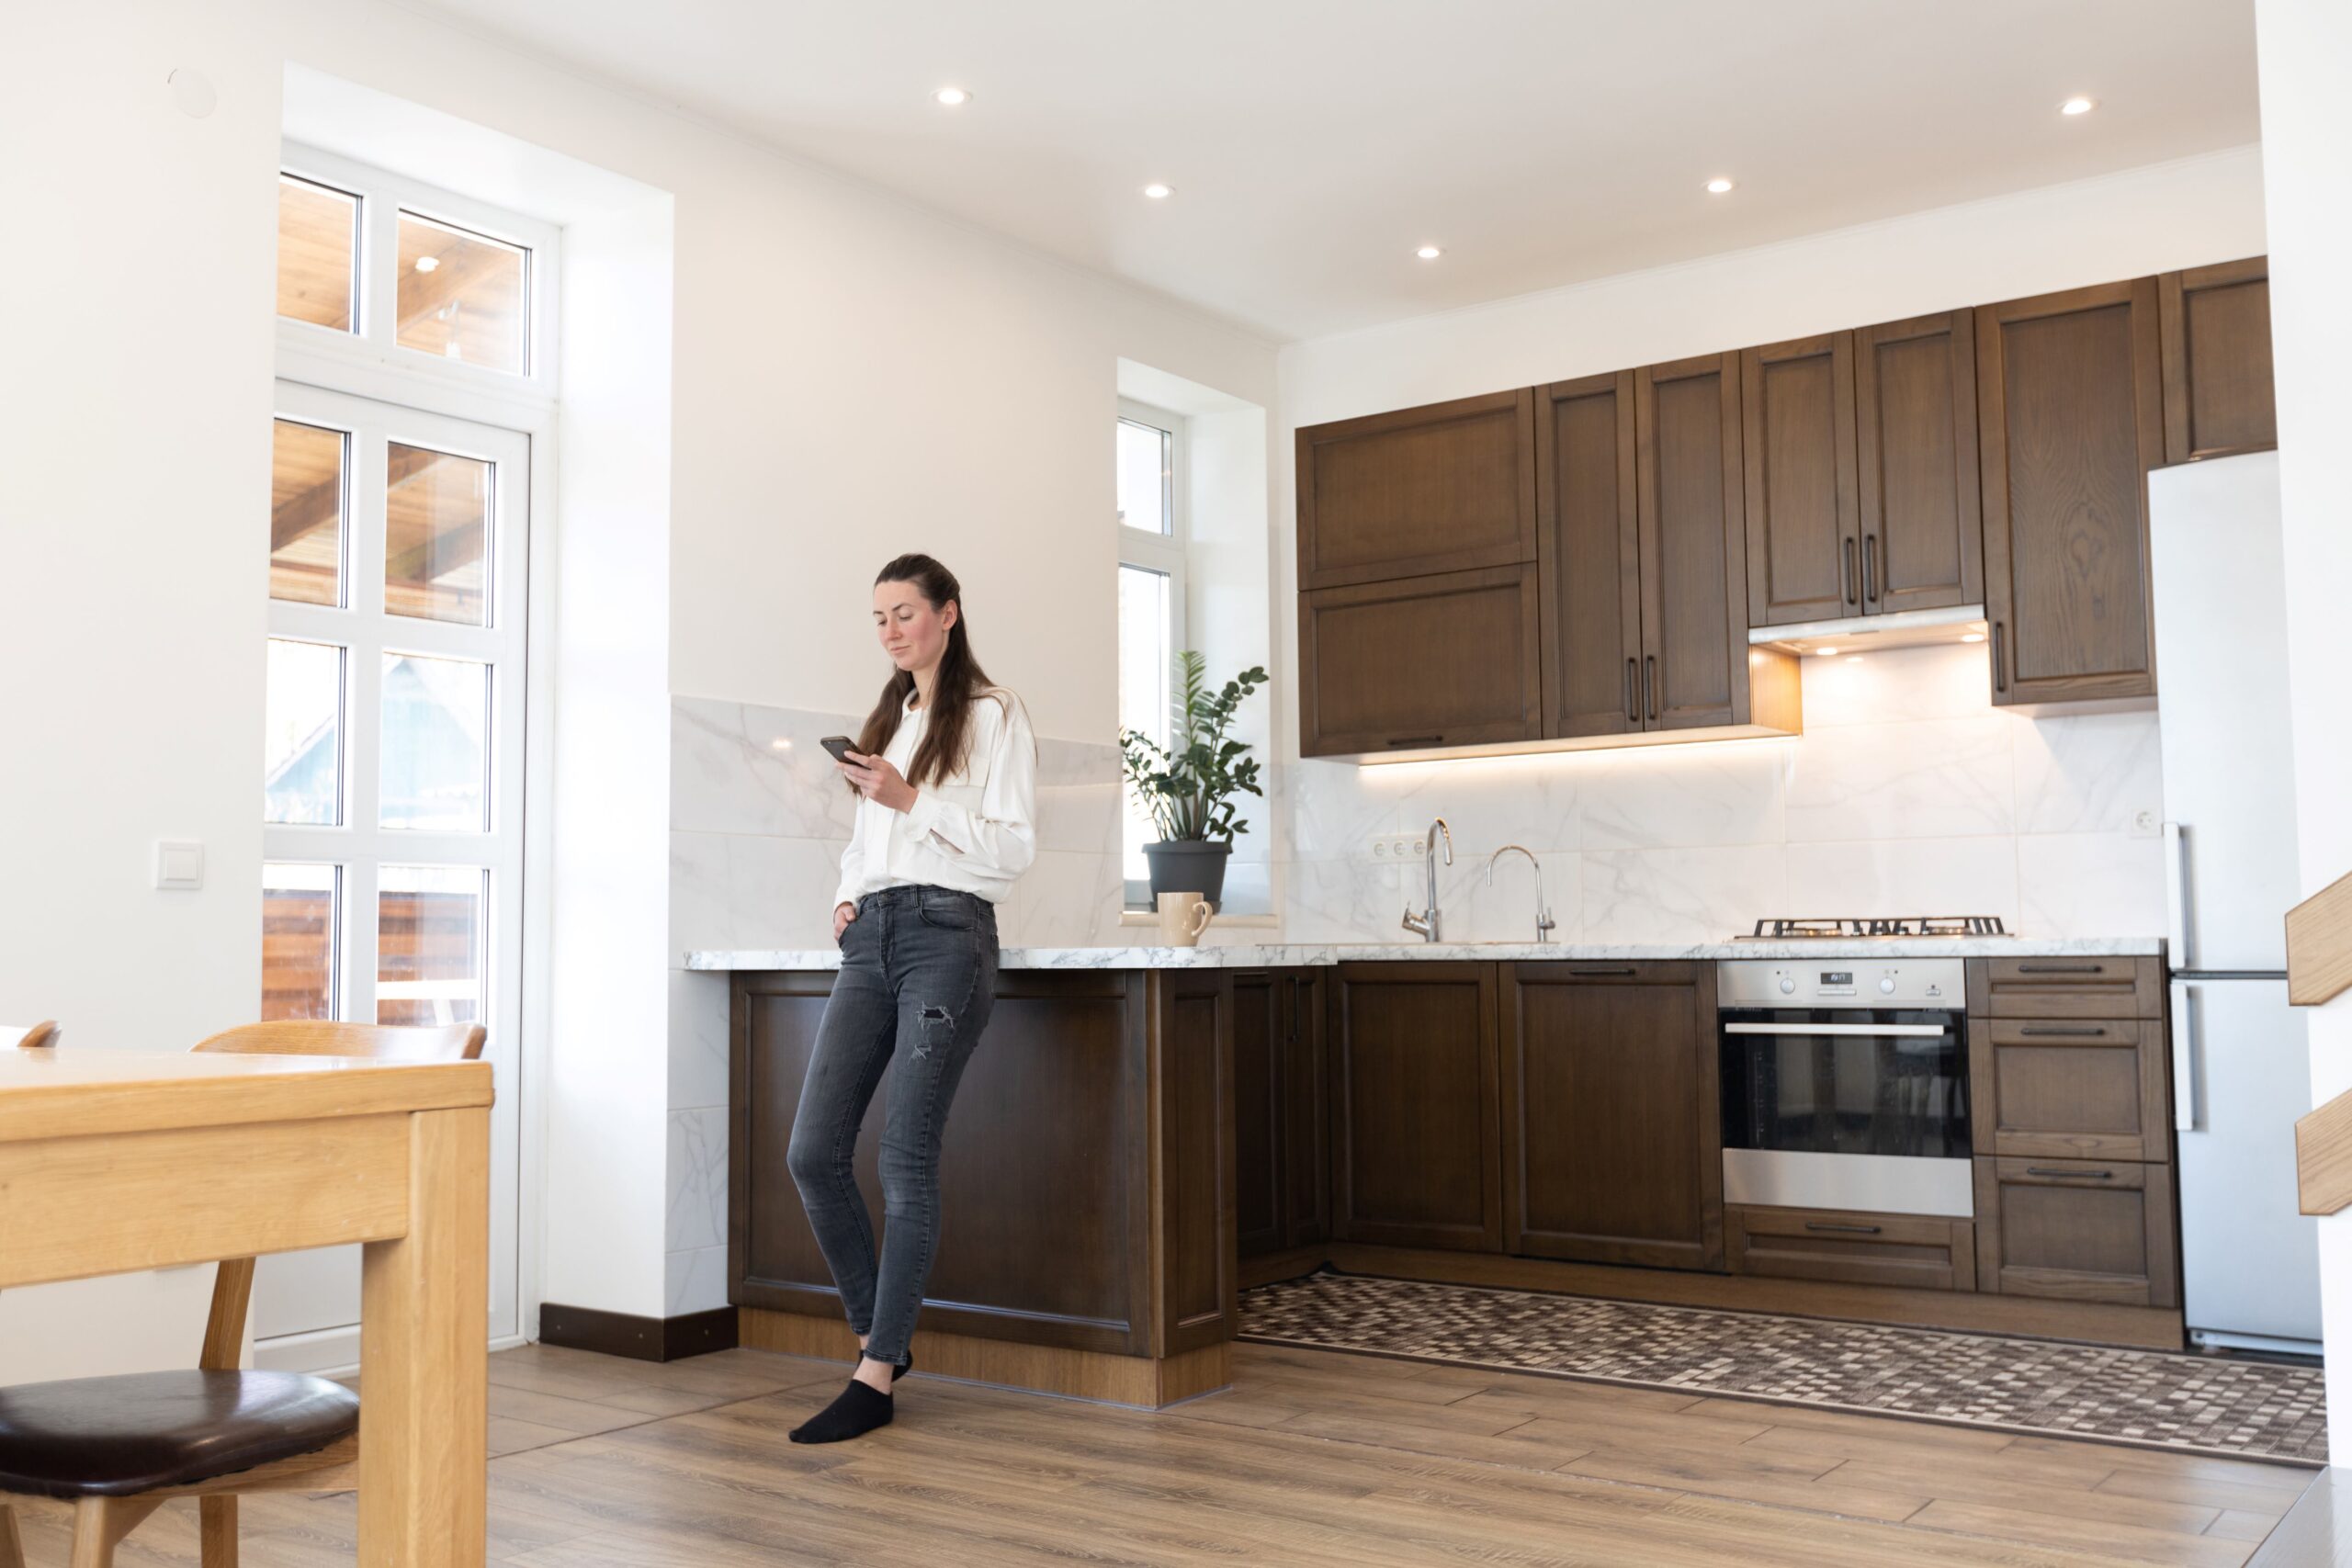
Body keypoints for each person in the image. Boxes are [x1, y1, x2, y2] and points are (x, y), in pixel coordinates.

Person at [784, 553, 1036, 1444]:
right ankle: (877, 1333)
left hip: (946, 939)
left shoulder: (993, 714)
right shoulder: (891, 717)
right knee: (813, 1151)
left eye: (905, 613)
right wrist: (850, 892)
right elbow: (869, 838)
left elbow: (1009, 851)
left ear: (948, 615)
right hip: (874, 937)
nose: (891, 630)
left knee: (903, 1160)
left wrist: (910, 797)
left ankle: (876, 1374)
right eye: (879, 617)